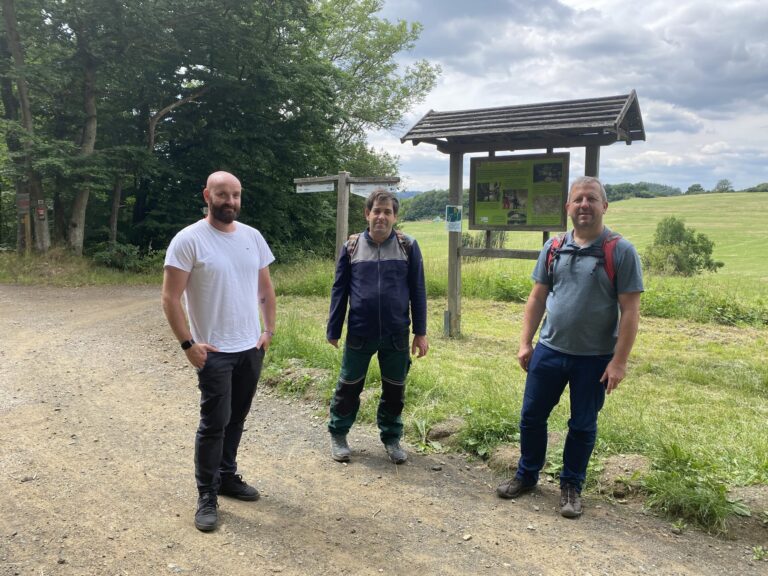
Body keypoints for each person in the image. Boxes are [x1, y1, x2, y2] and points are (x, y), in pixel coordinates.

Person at [496, 176, 643, 518]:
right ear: (568, 207)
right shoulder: (553, 248)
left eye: (591, 199)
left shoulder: (620, 251)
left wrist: (619, 362)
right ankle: (527, 474)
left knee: (582, 425)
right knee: (532, 417)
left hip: (594, 359)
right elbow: (537, 298)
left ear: (604, 206)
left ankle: (571, 486)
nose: (584, 205)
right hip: (549, 350)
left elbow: (631, 311)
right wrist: (525, 342)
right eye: (578, 199)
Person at [161, 171, 276, 532]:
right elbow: (170, 297)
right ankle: (206, 495)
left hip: (250, 348)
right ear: (207, 195)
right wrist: (187, 344)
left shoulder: (252, 237)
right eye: (223, 194)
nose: (230, 201)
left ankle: (226, 477)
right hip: (213, 351)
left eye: (236, 195)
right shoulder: (189, 240)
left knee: (236, 419)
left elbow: (266, 291)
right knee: (214, 424)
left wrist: (268, 330)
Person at [326, 188, 428, 464]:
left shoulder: (408, 246)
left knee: (395, 389)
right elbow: (340, 290)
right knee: (349, 386)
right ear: (367, 214)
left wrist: (421, 332)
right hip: (360, 332)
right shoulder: (351, 246)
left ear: (395, 217)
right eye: (376, 211)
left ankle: (392, 438)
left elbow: (418, 291)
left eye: (387, 212)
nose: (381, 217)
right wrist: (334, 329)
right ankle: (338, 434)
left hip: (396, 334)